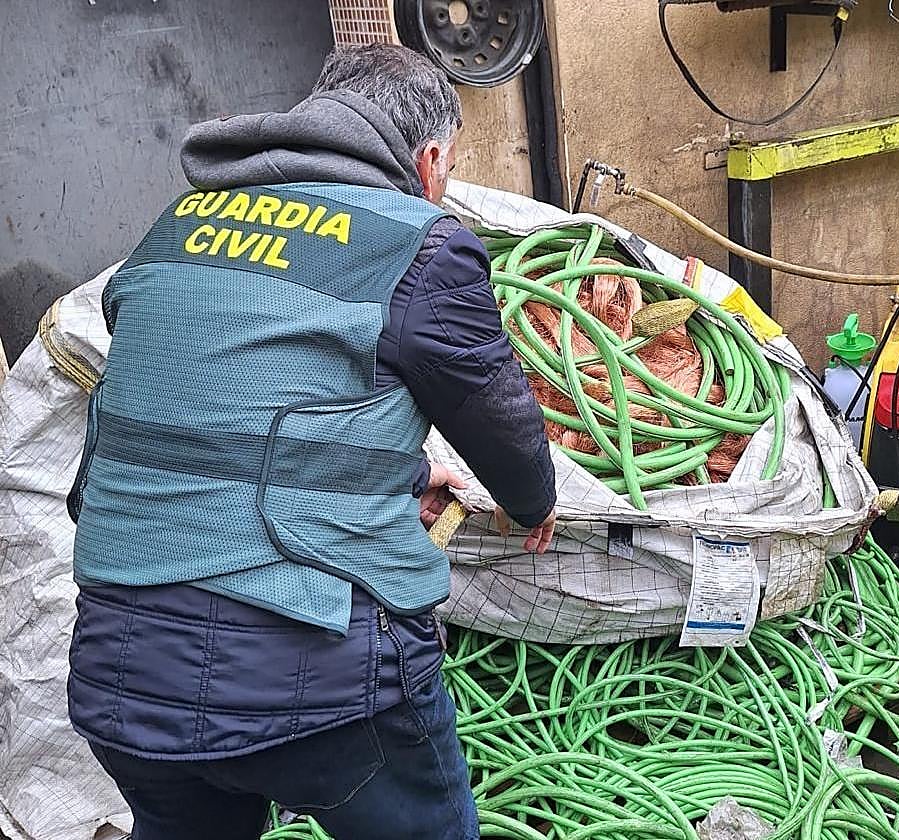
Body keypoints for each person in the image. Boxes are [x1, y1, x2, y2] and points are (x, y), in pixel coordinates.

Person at [65, 43, 556, 840]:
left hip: (122, 673)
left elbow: (206, 427)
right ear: (429, 161)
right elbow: (498, 418)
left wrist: (394, 473)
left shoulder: (173, 226)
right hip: (323, 683)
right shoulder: (419, 241)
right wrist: (534, 499)